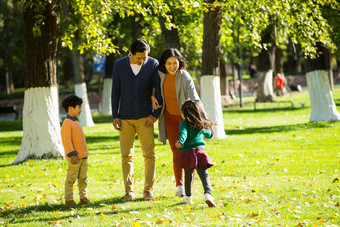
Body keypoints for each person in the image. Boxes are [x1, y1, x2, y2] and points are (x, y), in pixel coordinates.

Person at [111, 39, 162, 201]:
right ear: (131, 53)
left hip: (145, 118)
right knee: (126, 156)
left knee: (149, 155)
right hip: (124, 118)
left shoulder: (153, 64)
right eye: (139, 57)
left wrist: (155, 114)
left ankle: (148, 190)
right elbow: (115, 91)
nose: (142, 61)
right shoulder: (119, 65)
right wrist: (115, 115)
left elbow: (158, 89)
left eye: (145, 57)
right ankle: (129, 191)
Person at [152, 48, 201, 198]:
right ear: (164, 64)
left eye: (175, 63)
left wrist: (199, 118)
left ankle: (189, 187)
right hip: (169, 118)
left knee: (188, 152)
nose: (172, 66)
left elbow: (195, 97)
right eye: (169, 63)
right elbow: (153, 89)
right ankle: (180, 187)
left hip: (185, 120)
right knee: (176, 152)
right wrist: (152, 96)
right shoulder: (160, 75)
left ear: (180, 62)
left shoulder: (184, 76)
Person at [175, 100, 216, 207]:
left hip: (188, 154)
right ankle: (208, 195)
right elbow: (210, 135)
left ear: (184, 113)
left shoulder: (183, 124)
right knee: (204, 175)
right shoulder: (200, 124)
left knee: (188, 176)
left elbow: (183, 134)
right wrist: (209, 128)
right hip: (200, 152)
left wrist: (180, 141)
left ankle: (188, 198)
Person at [61, 95, 91, 206]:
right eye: (79, 107)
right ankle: (69, 200)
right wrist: (72, 155)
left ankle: (83, 197)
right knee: (71, 179)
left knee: (83, 179)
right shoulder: (67, 123)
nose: (80, 110)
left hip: (83, 157)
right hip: (75, 158)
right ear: (71, 108)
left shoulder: (76, 122)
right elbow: (67, 141)